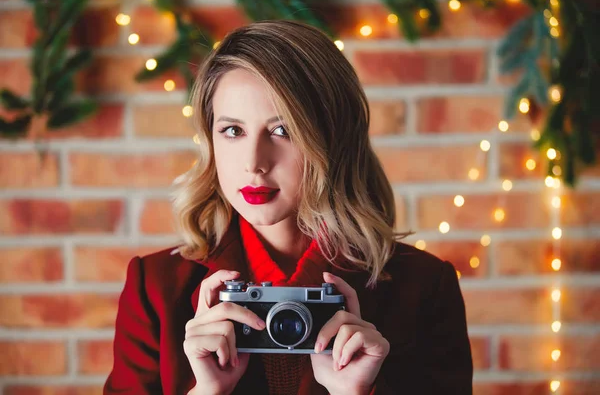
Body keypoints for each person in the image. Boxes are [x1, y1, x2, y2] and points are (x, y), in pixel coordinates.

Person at [103, 20, 473, 395]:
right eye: (233, 130)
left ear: (332, 139)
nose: (254, 163)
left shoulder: (424, 288)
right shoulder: (154, 289)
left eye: (283, 131)